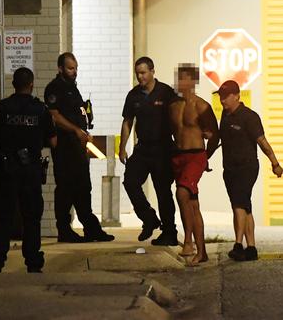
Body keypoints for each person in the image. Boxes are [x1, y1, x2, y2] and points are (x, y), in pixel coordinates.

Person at [0, 67, 57, 273]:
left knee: (3, 216)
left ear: (14, 84)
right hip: (31, 170)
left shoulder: (0, 108)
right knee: (32, 217)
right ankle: (33, 261)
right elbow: (53, 141)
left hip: (7, 170)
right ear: (31, 85)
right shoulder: (41, 110)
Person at [44, 52, 114, 242]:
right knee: (66, 188)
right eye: (70, 68)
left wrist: (84, 132)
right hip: (65, 148)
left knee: (83, 187)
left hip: (78, 147)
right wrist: (76, 130)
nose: (74, 72)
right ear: (60, 68)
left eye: (75, 68)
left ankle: (91, 228)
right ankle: (64, 230)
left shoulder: (72, 88)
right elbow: (54, 115)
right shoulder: (55, 88)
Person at [216, 80, 283, 261]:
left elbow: (262, 142)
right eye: (221, 96)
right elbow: (218, 138)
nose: (223, 100)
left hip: (247, 167)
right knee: (244, 206)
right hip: (229, 169)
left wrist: (275, 163)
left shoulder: (249, 116)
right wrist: (205, 156)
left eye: (226, 96)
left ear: (237, 95)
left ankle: (238, 245)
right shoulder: (225, 115)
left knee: (239, 203)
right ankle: (251, 248)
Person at [119, 57, 178, 246]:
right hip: (143, 148)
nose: (140, 77)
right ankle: (149, 218)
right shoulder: (133, 95)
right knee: (130, 182)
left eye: (143, 73)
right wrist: (122, 148)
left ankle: (170, 232)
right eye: (137, 73)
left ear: (153, 71)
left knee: (163, 191)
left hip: (163, 149)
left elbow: (178, 120)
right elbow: (128, 121)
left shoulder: (166, 92)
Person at [168, 65, 219, 265]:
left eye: (183, 79)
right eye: (178, 78)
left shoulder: (201, 106)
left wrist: (207, 156)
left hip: (196, 155)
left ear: (193, 82)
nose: (179, 83)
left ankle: (188, 241)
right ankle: (202, 251)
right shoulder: (173, 106)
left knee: (181, 193)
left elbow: (215, 135)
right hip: (178, 156)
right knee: (192, 204)